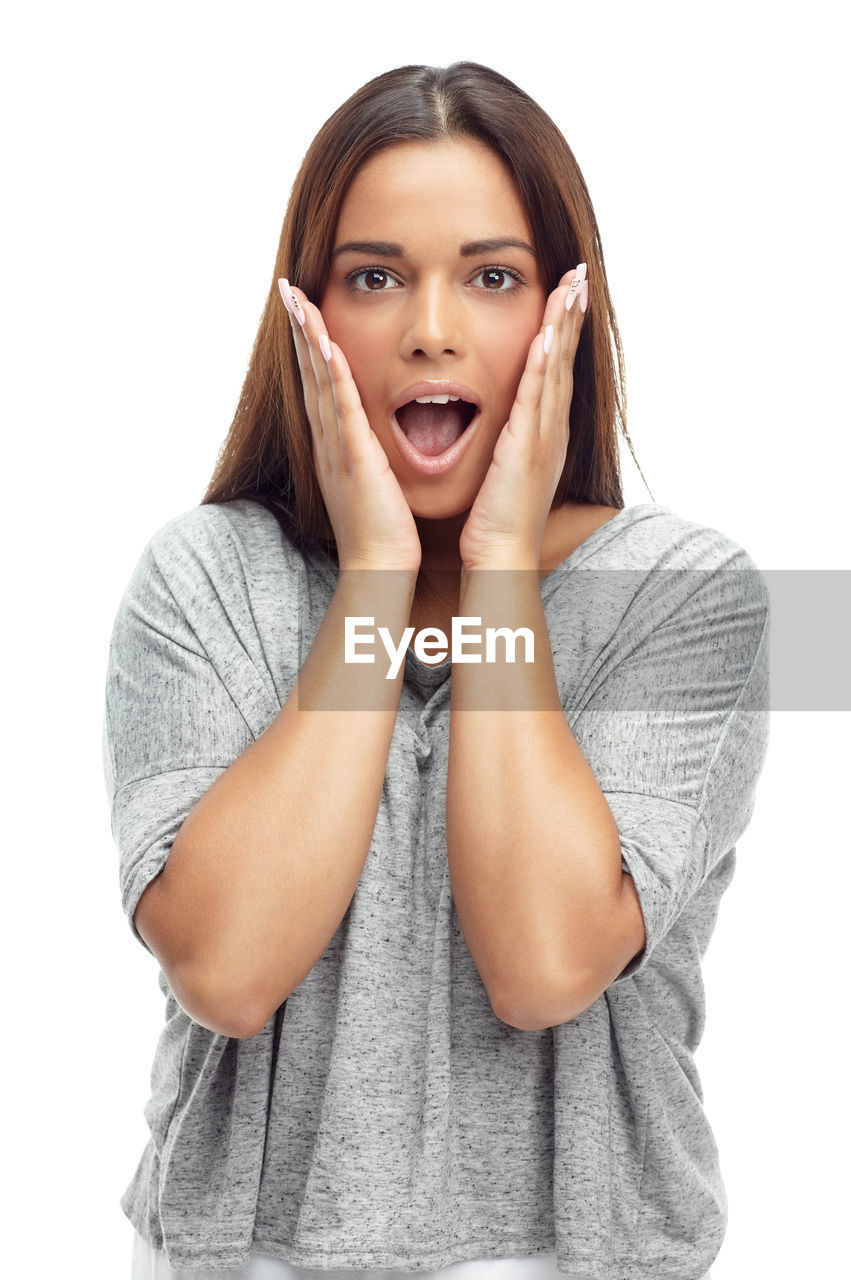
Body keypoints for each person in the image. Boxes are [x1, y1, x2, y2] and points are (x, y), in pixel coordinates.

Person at [102, 62, 770, 1280]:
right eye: (373, 276)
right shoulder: (202, 578)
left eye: (491, 276)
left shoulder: (688, 592)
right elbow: (228, 968)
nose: (429, 327)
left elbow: (543, 963)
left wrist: (502, 559)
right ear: (304, 314)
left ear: (565, 313)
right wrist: (372, 580)